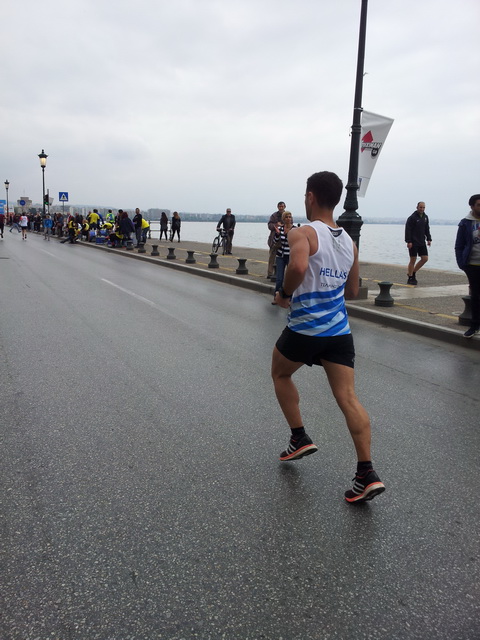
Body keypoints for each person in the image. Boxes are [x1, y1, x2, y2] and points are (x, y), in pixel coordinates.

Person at [271, 171, 385, 504]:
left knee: (280, 374)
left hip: (305, 329)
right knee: (348, 397)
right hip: (339, 332)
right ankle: (366, 473)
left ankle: (299, 437)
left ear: (310, 197)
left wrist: (284, 294)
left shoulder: (303, 233)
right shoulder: (349, 242)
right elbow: (352, 291)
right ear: (336, 200)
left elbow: (297, 268)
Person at [455, 194, 480, 338]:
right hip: (472, 265)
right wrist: (461, 263)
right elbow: (459, 245)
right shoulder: (465, 223)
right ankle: (474, 325)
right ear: (472, 206)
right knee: (475, 296)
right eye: (479, 205)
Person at [405, 202, 432, 285]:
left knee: (425, 258)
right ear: (417, 207)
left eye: (423, 207)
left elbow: (427, 229)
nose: (422, 209)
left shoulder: (425, 217)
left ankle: (413, 272)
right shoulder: (412, 218)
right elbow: (408, 230)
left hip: (421, 241)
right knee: (413, 259)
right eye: (420, 207)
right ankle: (410, 277)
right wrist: (409, 241)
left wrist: (429, 239)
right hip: (413, 242)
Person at [272, 211, 294, 304]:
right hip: (280, 255)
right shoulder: (280, 229)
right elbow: (275, 240)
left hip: (290, 256)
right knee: (279, 279)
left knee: (290, 279)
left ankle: (289, 298)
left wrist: (287, 234)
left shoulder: (294, 229)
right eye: (286, 217)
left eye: (289, 217)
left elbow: (294, 241)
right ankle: (276, 297)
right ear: (283, 219)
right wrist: (277, 234)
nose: (288, 218)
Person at [267, 202, 286, 278]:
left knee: (283, 259)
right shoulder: (274, 216)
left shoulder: (287, 215)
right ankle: (270, 273)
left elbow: (290, 225)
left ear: (284, 207)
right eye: (279, 206)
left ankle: (281, 274)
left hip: (284, 240)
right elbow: (269, 225)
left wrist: (283, 226)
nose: (281, 208)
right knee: (272, 257)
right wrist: (276, 225)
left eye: (282, 206)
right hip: (274, 239)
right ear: (277, 207)